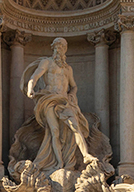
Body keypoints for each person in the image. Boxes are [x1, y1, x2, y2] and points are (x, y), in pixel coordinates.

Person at [21, 37, 97, 172]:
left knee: (75, 126)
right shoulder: (47, 62)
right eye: (57, 46)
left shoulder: (68, 69)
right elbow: (35, 76)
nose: (59, 49)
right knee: (54, 131)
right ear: (53, 48)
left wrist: (72, 94)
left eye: (62, 46)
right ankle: (59, 163)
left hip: (64, 100)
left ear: (65, 50)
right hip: (49, 99)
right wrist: (30, 88)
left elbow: (74, 86)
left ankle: (86, 155)